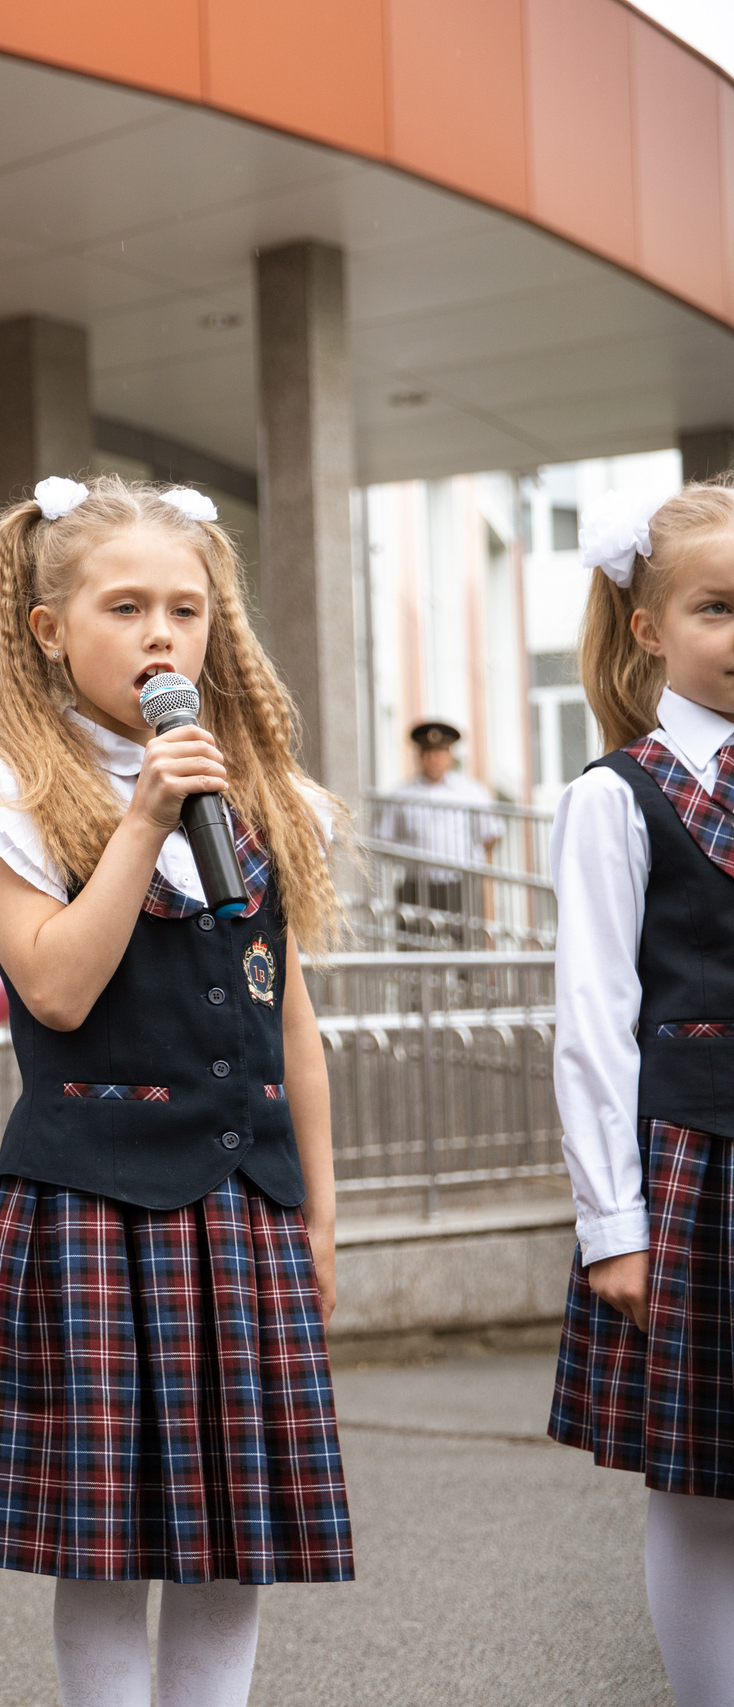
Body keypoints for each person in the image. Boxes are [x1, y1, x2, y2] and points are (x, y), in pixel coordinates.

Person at [0, 475, 351, 1706]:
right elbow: (57, 990)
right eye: (126, 606)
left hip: (247, 1202)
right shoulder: (10, 786)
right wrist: (139, 819)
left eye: (187, 606)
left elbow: (291, 1026)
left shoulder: (263, 797)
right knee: (108, 1547)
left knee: (235, 1551)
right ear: (50, 628)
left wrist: (318, 1212)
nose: (163, 633)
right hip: (96, 1203)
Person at [548, 479, 734, 1704]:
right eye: (717, 606)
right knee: (702, 1488)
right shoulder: (612, 796)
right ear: (647, 627)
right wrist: (614, 1225)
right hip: (699, 1169)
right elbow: (591, 1027)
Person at [376, 719, 500, 946]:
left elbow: (491, 835)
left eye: (440, 752)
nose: (434, 758)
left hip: (457, 886)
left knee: (466, 951)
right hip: (416, 885)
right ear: (419, 756)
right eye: (428, 752)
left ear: (450, 756)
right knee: (413, 950)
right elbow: (385, 838)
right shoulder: (401, 794)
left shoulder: (470, 792)